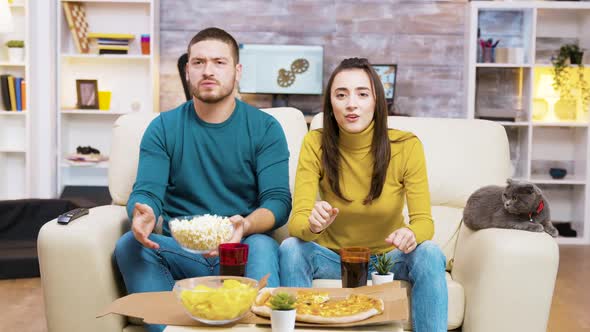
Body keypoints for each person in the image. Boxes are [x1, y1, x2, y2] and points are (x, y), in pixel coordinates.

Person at [114, 27, 292, 332]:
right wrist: (142, 211)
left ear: (237, 71)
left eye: (219, 62)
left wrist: (245, 226)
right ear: (187, 71)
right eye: (198, 63)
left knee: (262, 245)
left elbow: (278, 201)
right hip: (182, 250)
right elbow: (147, 191)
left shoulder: (265, 128)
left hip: (241, 247)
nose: (208, 71)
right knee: (131, 244)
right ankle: (169, 328)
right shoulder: (163, 128)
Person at [279, 58, 448, 331]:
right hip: (334, 259)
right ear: (330, 105)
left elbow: (424, 222)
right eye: (341, 95)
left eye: (362, 94)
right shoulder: (315, 143)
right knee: (291, 249)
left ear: (376, 102)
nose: (351, 104)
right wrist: (312, 224)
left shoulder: (406, 146)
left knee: (429, 252)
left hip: (388, 259)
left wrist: (412, 234)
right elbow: (297, 224)